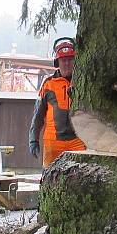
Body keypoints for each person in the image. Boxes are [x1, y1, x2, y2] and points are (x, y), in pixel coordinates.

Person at [28, 37, 86, 167]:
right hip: (53, 142)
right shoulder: (48, 84)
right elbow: (38, 115)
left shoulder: (83, 83)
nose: (67, 63)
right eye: (63, 60)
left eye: (70, 59)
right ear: (57, 62)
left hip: (78, 141)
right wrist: (33, 139)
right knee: (49, 179)